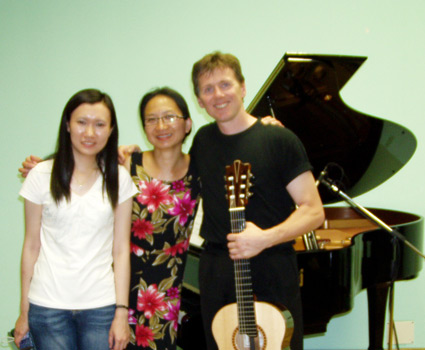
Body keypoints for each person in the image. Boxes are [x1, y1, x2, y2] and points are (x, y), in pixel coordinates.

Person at [18, 87, 201, 350]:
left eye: (169, 117)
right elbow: (32, 244)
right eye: (151, 119)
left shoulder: (196, 169)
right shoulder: (128, 164)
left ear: (187, 124)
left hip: (154, 294)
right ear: (67, 124)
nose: (161, 125)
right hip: (112, 290)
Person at [189, 51, 325, 350]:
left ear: (243, 87)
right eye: (208, 89)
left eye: (225, 85)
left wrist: (264, 238)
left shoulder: (279, 140)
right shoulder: (202, 141)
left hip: (272, 264)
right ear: (199, 100)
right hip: (217, 269)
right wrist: (131, 154)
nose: (218, 95)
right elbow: (170, 171)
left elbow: (314, 211)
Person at [14, 88, 137, 350]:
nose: (90, 133)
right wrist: (24, 311)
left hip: (101, 307)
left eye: (99, 124)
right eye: (82, 122)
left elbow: (121, 250)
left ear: (111, 129)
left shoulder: (120, 179)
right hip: (47, 306)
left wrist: (121, 313)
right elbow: (31, 246)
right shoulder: (40, 175)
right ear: (67, 124)